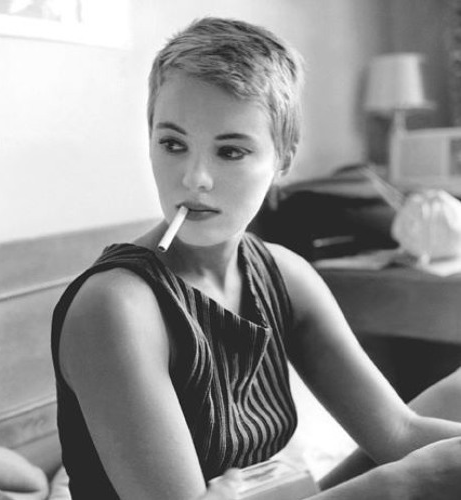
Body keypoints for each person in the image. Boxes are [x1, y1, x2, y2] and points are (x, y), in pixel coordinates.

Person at [50, 17, 461, 500]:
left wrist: (412, 471)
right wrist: (403, 482)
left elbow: (397, 433)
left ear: (284, 158)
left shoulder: (285, 275)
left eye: (230, 151)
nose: (195, 178)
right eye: (173, 144)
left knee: (453, 393)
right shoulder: (115, 307)